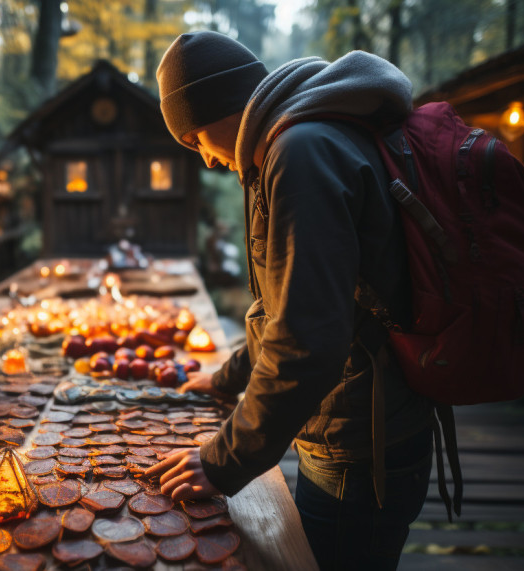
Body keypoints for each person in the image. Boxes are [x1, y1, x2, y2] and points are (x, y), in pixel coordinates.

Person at [144, 31, 435, 570]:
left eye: (193, 142)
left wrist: (221, 462)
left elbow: (307, 341)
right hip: (366, 432)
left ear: (209, 116)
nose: (206, 161)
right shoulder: (306, 137)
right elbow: (291, 309)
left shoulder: (300, 152)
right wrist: (227, 378)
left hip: (360, 449)